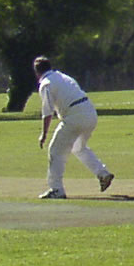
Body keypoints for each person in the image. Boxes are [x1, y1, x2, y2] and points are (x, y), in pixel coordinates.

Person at [33, 56, 114, 200]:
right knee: (78, 148)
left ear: (36, 72)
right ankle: (103, 174)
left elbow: (47, 113)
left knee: (55, 151)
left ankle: (56, 189)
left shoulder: (45, 84)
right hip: (90, 113)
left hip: (74, 117)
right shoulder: (62, 76)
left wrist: (44, 134)